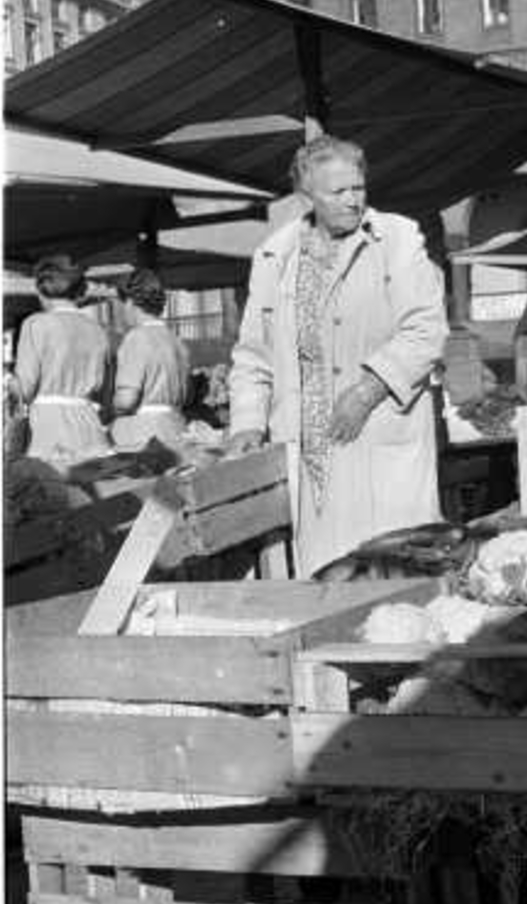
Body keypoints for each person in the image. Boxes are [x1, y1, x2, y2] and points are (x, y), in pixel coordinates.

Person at [228, 136, 449, 577]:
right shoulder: (276, 255)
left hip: (380, 435)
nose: (352, 201)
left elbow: (426, 329)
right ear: (306, 196)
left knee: (399, 568)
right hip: (311, 450)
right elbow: (254, 353)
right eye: (338, 192)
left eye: (359, 188)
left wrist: (368, 390)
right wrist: (247, 424)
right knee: (329, 572)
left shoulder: (398, 238)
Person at [13, 254, 111, 462]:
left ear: (41, 290)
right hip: (92, 428)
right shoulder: (97, 330)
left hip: (51, 431)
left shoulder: (36, 324)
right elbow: (103, 389)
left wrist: (6, 379)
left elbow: (25, 389)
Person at [109, 268, 191, 449]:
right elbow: (188, 395)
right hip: (176, 427)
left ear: (129, 302)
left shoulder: (136, 338)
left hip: (142, 434)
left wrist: (110, 407)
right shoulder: (176, 341)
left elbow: (126, 400)